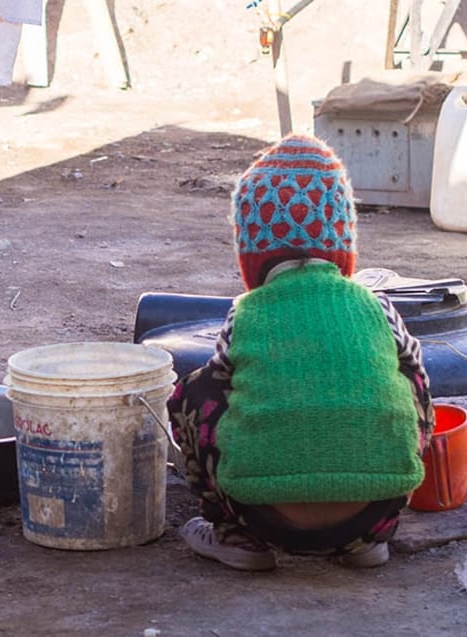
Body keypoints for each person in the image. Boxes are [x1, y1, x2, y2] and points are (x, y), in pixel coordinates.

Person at [167, 133, 435, 571]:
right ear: (342, 242)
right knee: (412, 377)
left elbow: (222, 387)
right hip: (372, 509)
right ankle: (367, 543)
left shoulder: (246, 311)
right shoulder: (375, 304)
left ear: (250, 254)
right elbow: (415, 377)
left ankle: (235, 538)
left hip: (264, 516)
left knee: (193, 392)